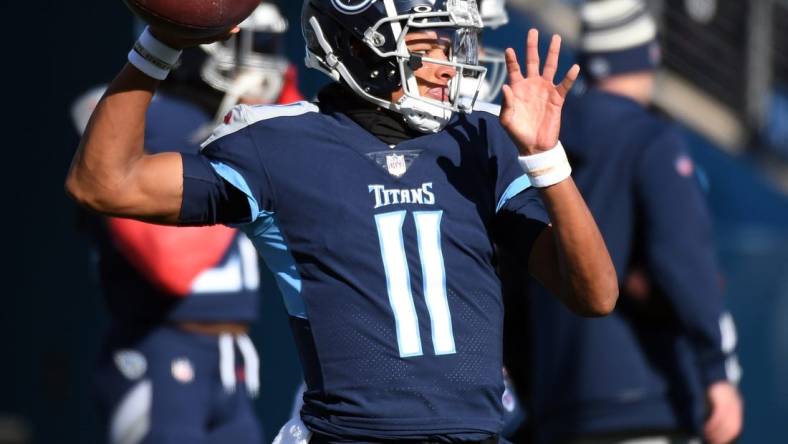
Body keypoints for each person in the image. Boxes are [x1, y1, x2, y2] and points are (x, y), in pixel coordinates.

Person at [66, 0, 618, 442]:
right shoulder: (278, 145)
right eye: (428, 44)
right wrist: (158, 47)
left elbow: (595, 294)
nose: (449, 63)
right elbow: (103, 183)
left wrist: (547, 160)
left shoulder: (480, 142)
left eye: (451, 42)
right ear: (363, 47)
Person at [501, 1, 743, 443]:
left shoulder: (537, 142)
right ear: (648, 55)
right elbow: (683, 262)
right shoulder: (650, 139)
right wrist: (717, 371)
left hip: (557, 407)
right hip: (647, 397)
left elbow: (515, 282)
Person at [70, 3, 302, 443]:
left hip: (227, 356)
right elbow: (174, 265)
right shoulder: (164, 119)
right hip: (162, 349)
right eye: (247, 45)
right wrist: (240, 161)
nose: (265, 63)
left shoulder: (220, 124)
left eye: (270, 46)